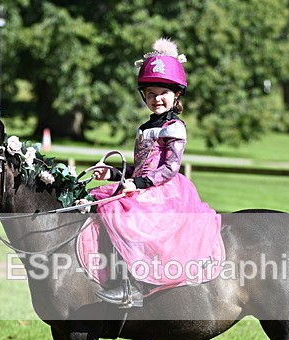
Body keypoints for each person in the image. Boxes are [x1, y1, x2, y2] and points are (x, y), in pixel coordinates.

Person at [88, 38, 222, 308]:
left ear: (176, 96)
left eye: (163, 93)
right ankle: (104, 275)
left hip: (164, 190)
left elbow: (170, 169)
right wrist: (114, 175)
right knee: (95, 204)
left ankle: (135, 286)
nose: (156, 98)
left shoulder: (174, 127)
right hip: (142, 184)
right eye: (150, 93)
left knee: (126, 217)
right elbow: (140, 166)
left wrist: (137, 184)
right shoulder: (145, 127)